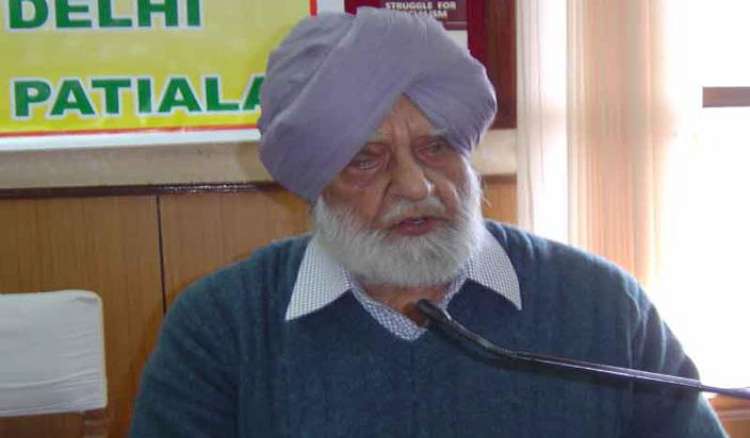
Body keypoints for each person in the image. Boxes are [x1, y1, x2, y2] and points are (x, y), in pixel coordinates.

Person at [131, 8, 727, 437]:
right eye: (366, 159)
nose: (416, 186)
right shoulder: (223, 326)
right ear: (315, 185)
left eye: (437, 147)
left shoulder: (601, 304)